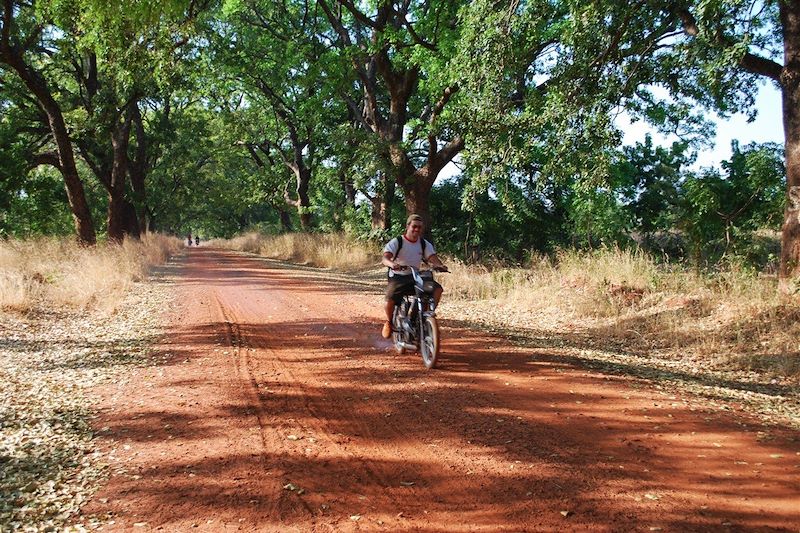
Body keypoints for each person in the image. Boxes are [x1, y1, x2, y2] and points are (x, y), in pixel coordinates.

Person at [380, 214, 448, 339]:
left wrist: (439, 265)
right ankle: (389, 322)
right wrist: (392, 264)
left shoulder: (423, 243)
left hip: (416, 276)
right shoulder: (398, 242)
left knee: (436, 289)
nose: (417, 229)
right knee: (389, 299)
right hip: (398, 276)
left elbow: (432, 258)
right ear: (407, 226)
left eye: (419, 227)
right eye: (414, 226)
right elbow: (385, 258)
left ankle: (424, 316)